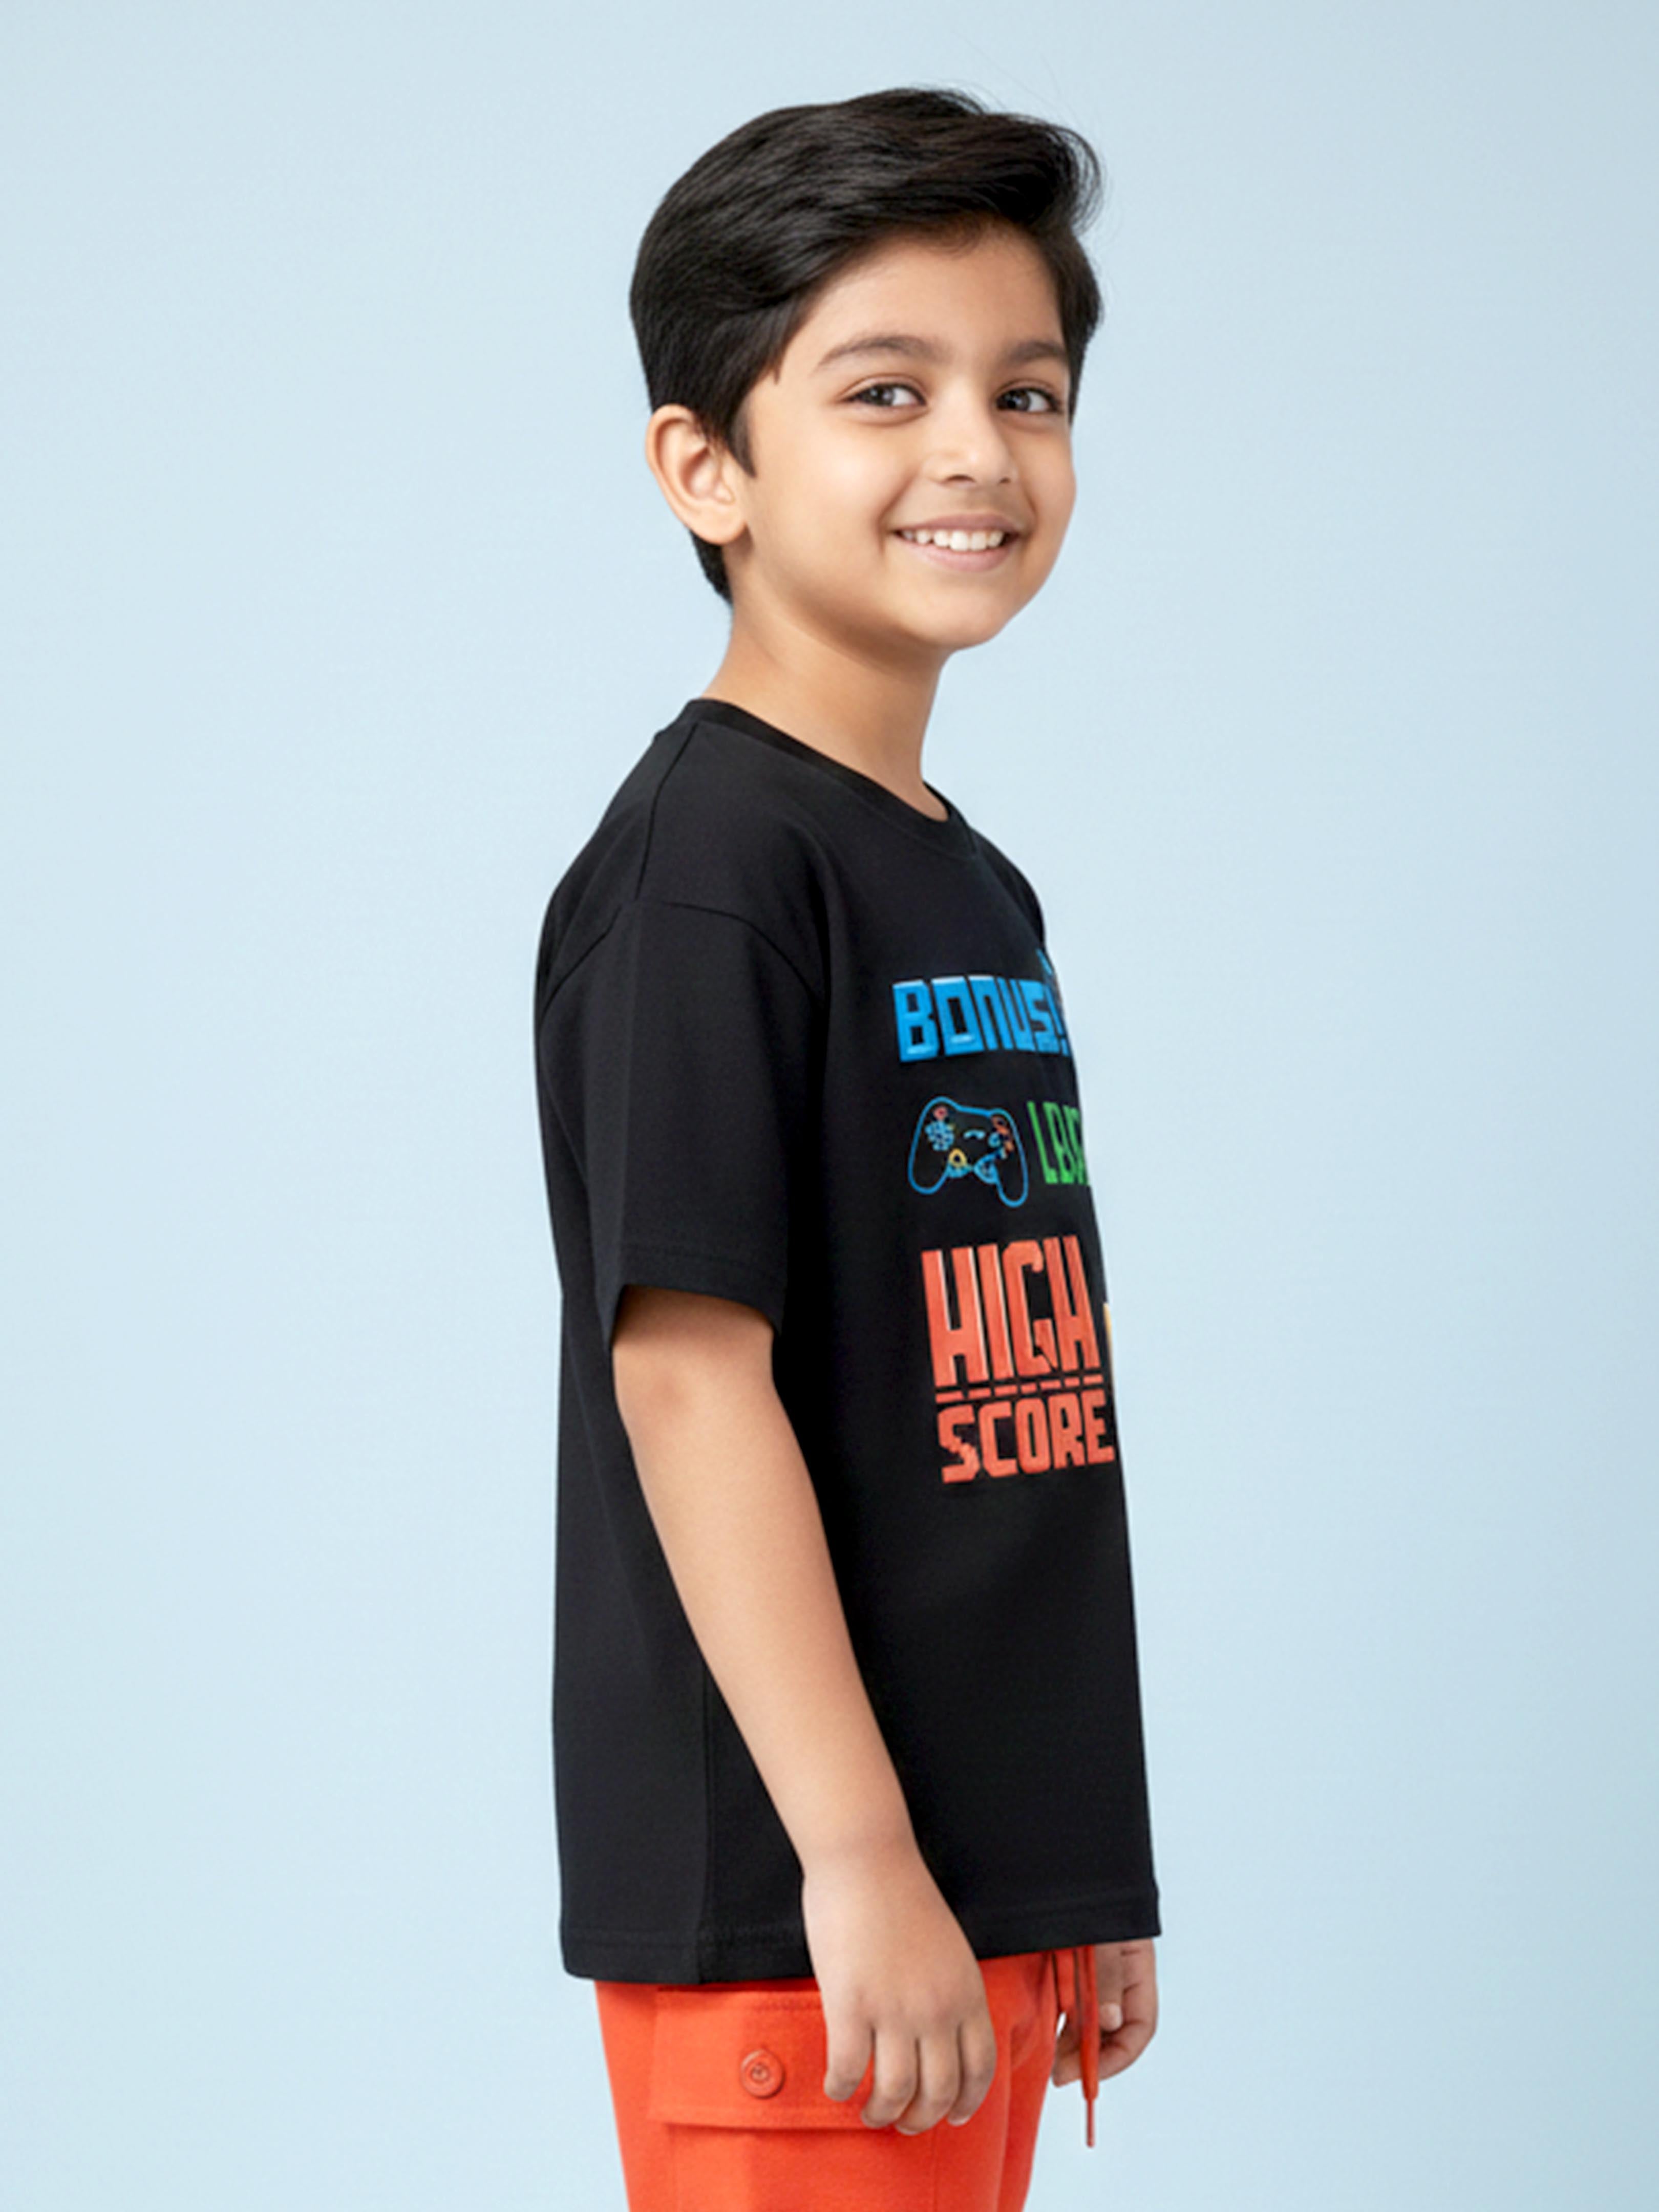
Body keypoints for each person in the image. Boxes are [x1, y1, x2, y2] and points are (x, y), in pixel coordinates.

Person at [531, 86, 1160, 2212]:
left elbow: (997, 1408)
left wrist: (1071, 1865)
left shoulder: (967, 882)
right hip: (802, 1905)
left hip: (966, 1896)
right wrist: (866, 1855)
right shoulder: (710, 872)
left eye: (1027, 392)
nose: (977, 449)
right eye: (887, 391)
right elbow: (689, 1378)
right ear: (705, 464)